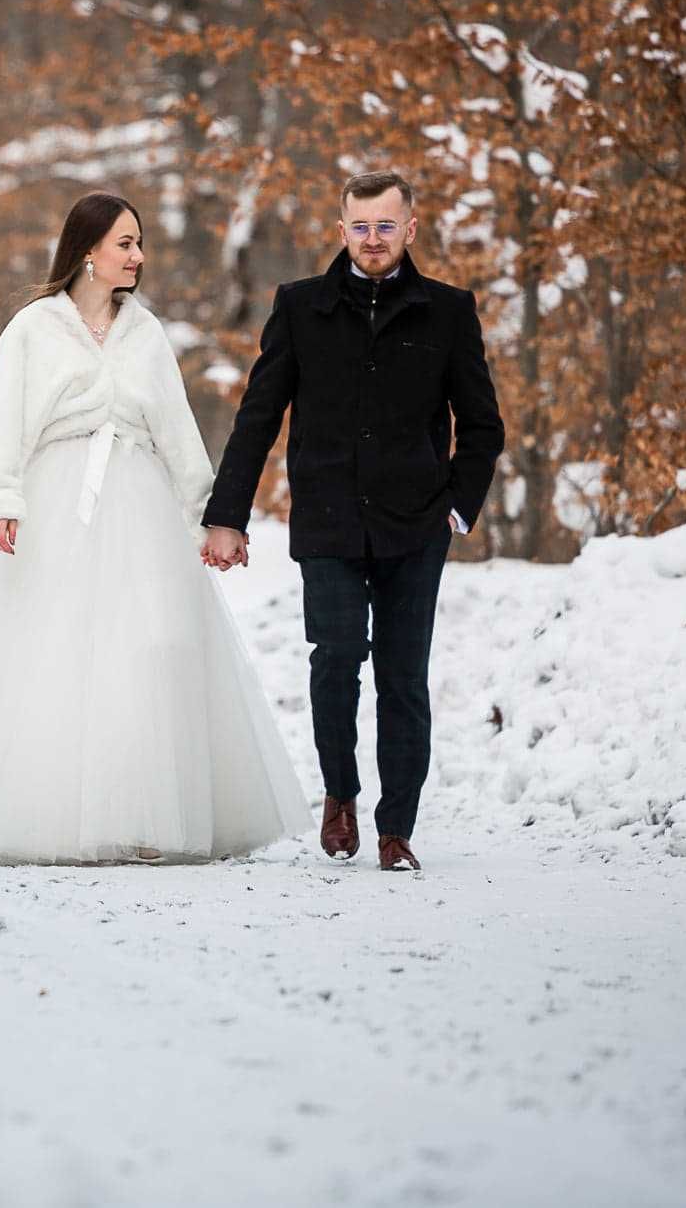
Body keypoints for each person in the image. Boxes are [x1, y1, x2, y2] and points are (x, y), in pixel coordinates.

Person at [0, 192, 311, 865]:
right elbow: (5, 423)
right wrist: (0, 499)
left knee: (148, 647)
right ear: (88, 249)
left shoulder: (144, 332)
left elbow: (177, 431)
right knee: (56, 649)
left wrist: (213, 518)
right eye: (126, 243)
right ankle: (49, 814)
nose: (138, 256)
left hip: (138, 499)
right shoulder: (31, 330)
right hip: (57, 497)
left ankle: (148, 814)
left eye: (140, 243)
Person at [200, 171, 504, 872]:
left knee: (403, 675)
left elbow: (482, 426)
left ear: (410, 229)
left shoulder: (449, 312)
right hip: (329, 520)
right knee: (336, 656)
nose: (373, 240)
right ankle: (340, 791)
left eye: (385, 227)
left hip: (415, 524)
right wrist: (227, 516)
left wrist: (457, 506)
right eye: (360, 227)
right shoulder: (302, 307)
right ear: (341, 231)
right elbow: (258, 416)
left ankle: (396, 825)